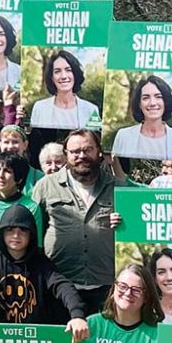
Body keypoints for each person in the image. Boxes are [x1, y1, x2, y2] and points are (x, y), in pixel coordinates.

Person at [30, 129, 127, 313]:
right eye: (75, 152)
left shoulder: (118, 188)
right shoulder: (46, 186)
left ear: (99, 151)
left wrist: (125, 224)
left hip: (106, 286)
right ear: (66, 154)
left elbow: (135, 235)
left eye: (87, 150)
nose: (81, 156)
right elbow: (33, 232)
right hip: (59, 284)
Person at [0, 205, 88, 340]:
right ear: (2, 233)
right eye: (10, 230)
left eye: (23, 230)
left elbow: (63, 286)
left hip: (36, 340)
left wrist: (77, 315)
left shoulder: (42, 263)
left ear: (31, 235)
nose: (16, 235)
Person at [111, 75, 172, 160]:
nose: (152, 103)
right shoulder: (123, 136)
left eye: (158, 97)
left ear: (165, 101)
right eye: (146, 98)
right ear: (139, 104)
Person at [29, 51, 100, 129]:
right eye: (57, 71)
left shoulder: (91, 110)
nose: (63, 76)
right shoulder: (39, 108)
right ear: (52, 78)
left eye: (68, 70)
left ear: (75, 74)